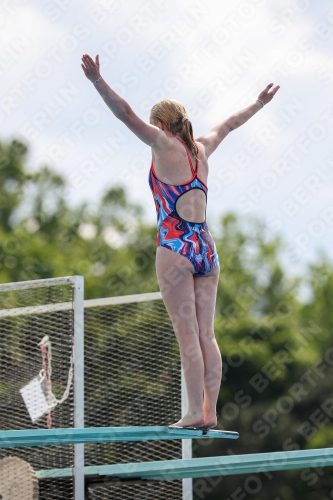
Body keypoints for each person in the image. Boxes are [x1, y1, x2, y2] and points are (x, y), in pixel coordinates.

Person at [81, 54, 280, 429]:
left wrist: (97, 82)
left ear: (160, 124)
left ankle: (191, 413)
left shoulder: (162, 145)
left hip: (175, 247)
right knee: (208, 334)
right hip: (206, 249)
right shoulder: (201, 147)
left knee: (186, 333)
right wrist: (259, 103)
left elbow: (124, 114)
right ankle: (210, 411)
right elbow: (230, 124)